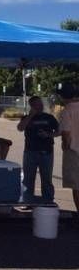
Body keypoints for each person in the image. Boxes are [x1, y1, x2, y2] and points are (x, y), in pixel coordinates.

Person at [17, 96, 59, 202]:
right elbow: (20, 128)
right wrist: (31, 115)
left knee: (46, 179)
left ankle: (48, 200)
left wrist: (48, 134)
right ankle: (27, 200)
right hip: (30, 152)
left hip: (46, 152)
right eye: (36, 105)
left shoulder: (49, 117)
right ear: (31, 106)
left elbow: (59, 131)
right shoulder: (26, 118)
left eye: (41, 104)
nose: (40, 106)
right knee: (28, 179)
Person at [58, 85, 79, 219]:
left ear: (63, 97)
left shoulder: (67, 111)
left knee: (76, 186)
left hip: (74, 151)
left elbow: (65, 133)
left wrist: (64, 146)